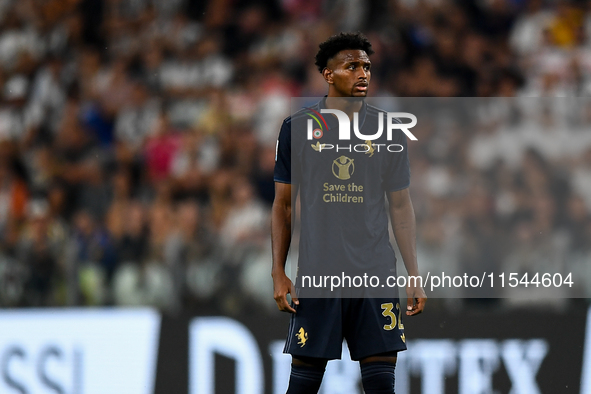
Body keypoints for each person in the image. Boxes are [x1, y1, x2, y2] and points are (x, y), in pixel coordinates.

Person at [271, 32, 427, 393]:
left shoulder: (389, 130)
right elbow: (283, 205)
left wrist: (414, 273)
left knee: (381, 384)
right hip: (318, 274)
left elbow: (401, 206)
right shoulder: (297, 128)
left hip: (374, 274)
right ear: (328, 74)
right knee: (303, 384)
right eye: (352, 66)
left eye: (367, 67)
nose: (363, 74)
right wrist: (278, 272)